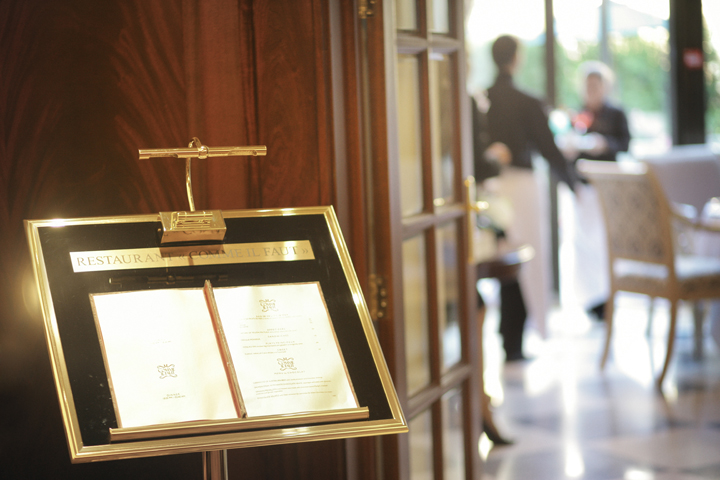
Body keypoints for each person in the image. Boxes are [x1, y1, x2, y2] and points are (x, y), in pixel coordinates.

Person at [485, 35, 578, 360]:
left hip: (491, 188)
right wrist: (573, 183)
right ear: (516, 58)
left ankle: (508, 336)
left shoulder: (484, 99)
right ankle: (514, 340)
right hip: (521, 188)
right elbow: (548, 148)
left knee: (504, 256)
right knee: (524, 258)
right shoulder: (526, 101)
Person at [564, 61, 630, 320]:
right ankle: (591, 298)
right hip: (584, 187)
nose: (592, 89)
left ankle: (610, 295)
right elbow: (570, 148)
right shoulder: (578, 114)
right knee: (584, 242)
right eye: (588, 85)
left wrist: (604, 144)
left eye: (596, 85)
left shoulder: (616, 114)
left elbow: (625, 144)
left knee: (606, 241)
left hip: (609, 186)